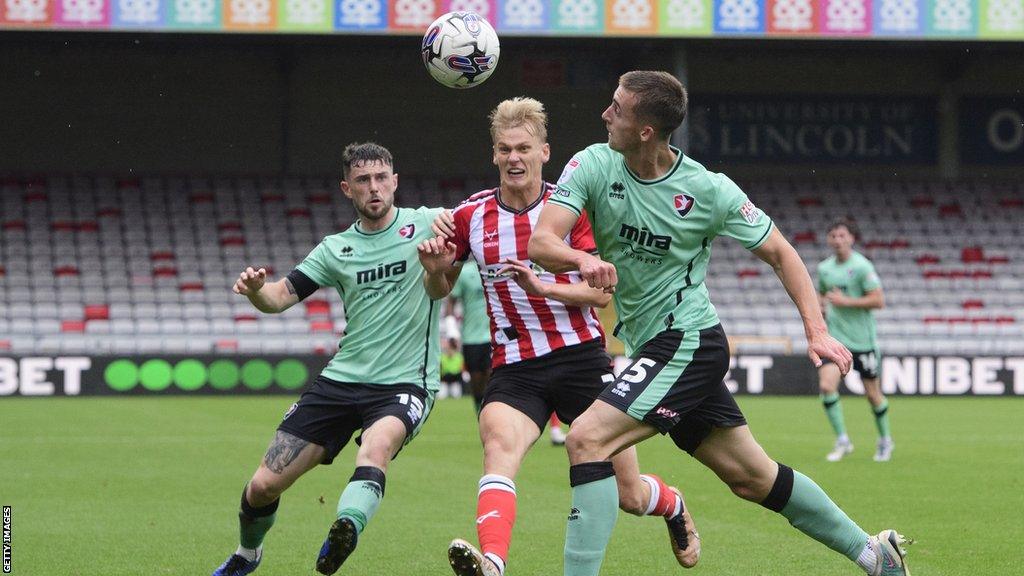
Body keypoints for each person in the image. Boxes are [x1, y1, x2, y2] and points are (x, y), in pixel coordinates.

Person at [528, 71, 912, 576]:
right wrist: (579, 261)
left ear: (646, 130)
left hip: (688, 341)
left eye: (617, 108)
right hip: (655, 348)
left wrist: (816, 330)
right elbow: (542, 244)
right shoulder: (593, 164)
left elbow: (781, 251)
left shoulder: (708, 190)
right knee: (753, 478)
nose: (605, 113)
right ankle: (872, 554)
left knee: (585, 439)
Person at [418, 97, 700, 576]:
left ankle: (672, 504)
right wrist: (433, 272)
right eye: (504, 148)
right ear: (493, 155)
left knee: (630, 495)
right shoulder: (470, 216)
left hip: (581, 361)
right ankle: (492, 562)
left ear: (544, 152)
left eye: (523, 148)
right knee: (498, 449)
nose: (514, 158)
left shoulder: (571, 209)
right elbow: (440, 288)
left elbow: (599, 296)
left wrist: (542, 285)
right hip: (514, 366)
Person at [212, 143, 444, 576]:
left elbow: (488, 221)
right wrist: (257, 289)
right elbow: (280, 296)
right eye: (362, 181)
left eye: (380, 178)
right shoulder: (336, 248)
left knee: (376, 448)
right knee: (263, 486)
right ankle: (247, 555)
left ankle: (346, 527)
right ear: (347, 189)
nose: (373, 188)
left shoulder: (429, 222)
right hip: (340, 381)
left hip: (405, 383)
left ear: (395, 181)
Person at [816, 217, 891, 462]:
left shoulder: (862, 267)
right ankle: (842, 440)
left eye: (842, 235)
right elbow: (821, 295)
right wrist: (822, 309)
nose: (837, 240)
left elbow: (878, 300)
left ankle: (884, 440)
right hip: (836, 340)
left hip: (863, 342)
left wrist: (846, 302)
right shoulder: (825, 268)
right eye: (833, 236)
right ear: (829, 239)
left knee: (872, 395)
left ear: (852, 238)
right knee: (827, 386)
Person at [447, 260, 492, 410]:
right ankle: (479, 409)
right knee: (476, 380)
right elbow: (451, 302)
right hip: (472, 337)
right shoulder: (465, 272)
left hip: (495, 335)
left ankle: (493, 412)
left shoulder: (497, 267)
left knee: (493, 376)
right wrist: (451, 330)